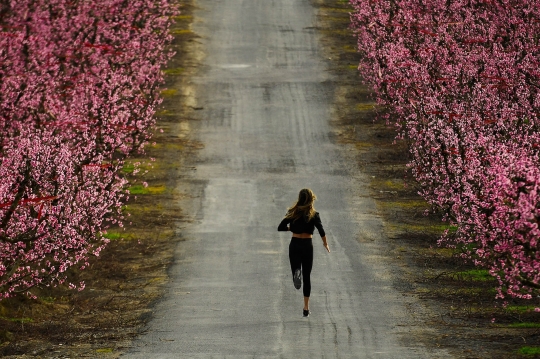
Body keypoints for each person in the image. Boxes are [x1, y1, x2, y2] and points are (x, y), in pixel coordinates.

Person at [277, 188, 330, 318]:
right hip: (307, 245)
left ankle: (296, 271)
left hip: (294, 244)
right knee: (307, 277)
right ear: (311, 199)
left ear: (299, 198)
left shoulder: (292, 212)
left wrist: (292, 228)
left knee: (296, 267)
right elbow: (321, 231)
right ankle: (306, 308)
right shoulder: (314, 214)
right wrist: (325, 244)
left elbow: (280, 227)